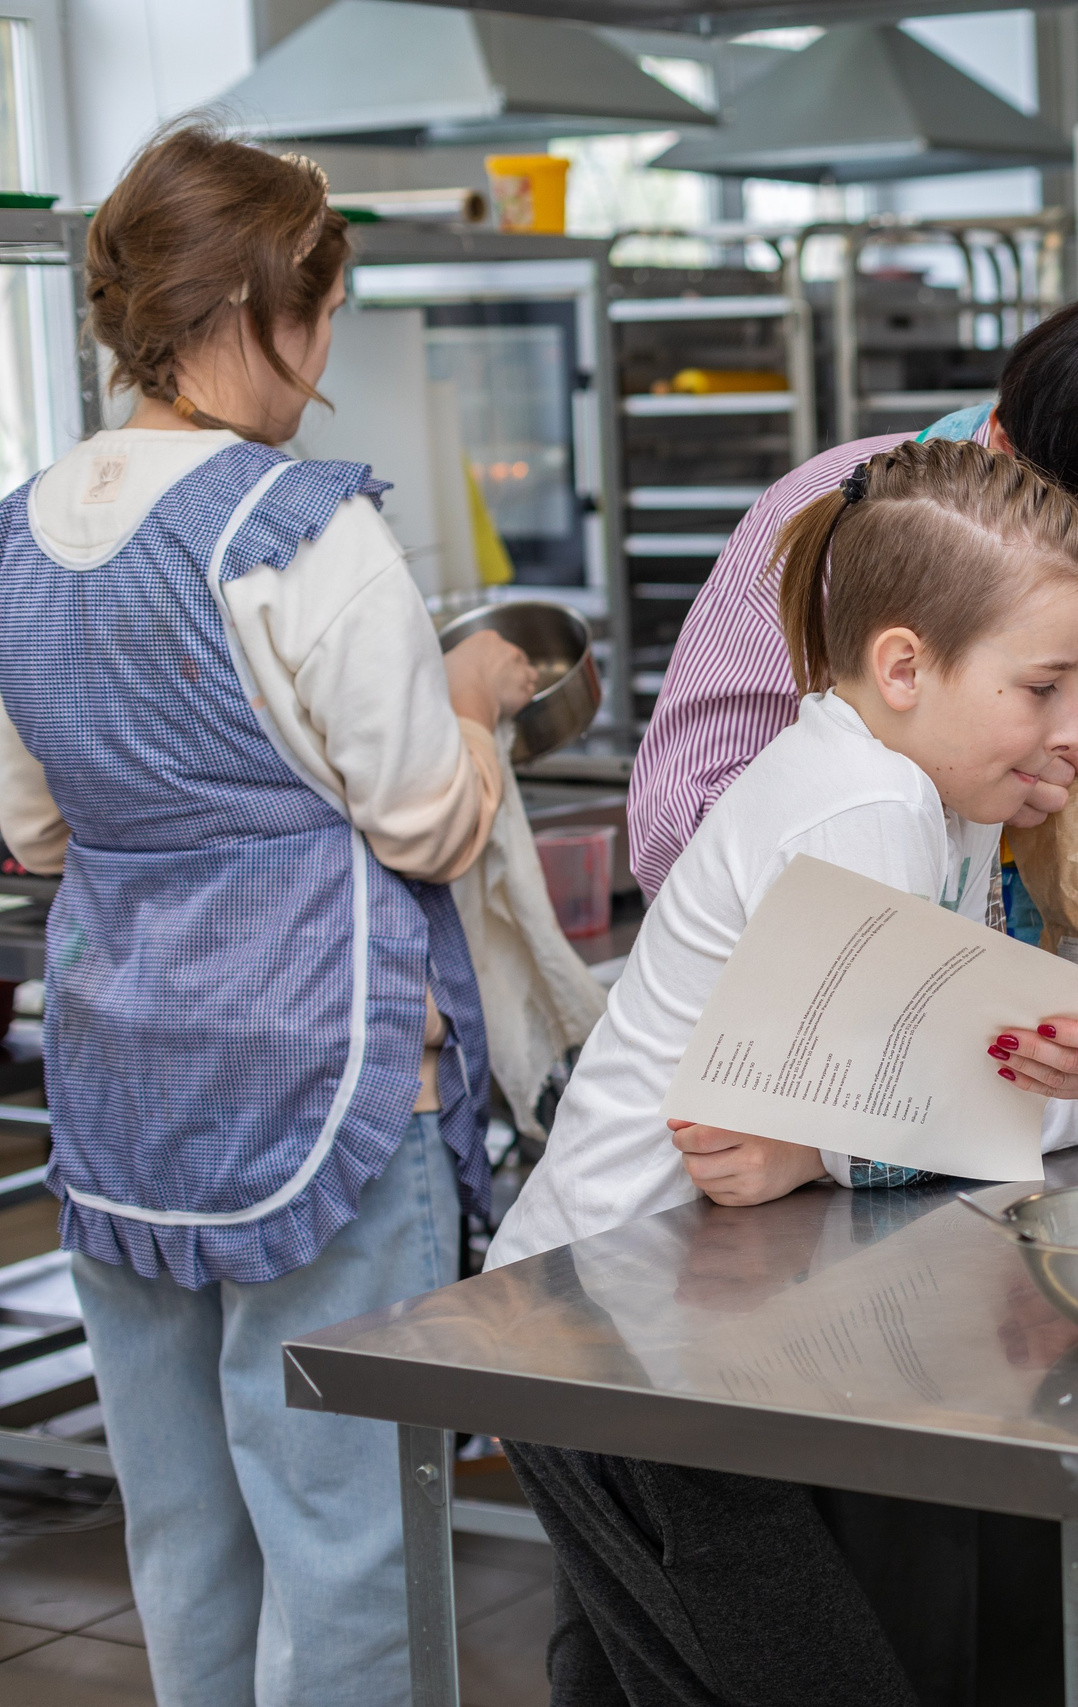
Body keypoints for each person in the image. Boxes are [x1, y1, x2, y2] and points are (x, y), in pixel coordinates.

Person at [492, 439, 1078, 1703]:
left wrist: (825, 1142)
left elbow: (900, 1089)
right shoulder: (861, 808)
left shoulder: (907, 783)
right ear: (904, 666)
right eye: (1043, 686)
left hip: (672, 1315)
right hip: (616, 1323)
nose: (1072, 727)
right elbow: (917, 1109)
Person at [0, 124, 537, 1705]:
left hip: (119, 1068)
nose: (327, 357)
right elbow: (424, 823)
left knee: (180, 1516)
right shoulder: (309, 528)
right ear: (258, 310)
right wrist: (483, 714)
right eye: (326, 313)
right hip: (322, 1071)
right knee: (347, 1516)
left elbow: (31, 826)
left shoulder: (17, 536)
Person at [630, 285, 1078, 1085]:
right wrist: (951, 783)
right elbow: (681, 834)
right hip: (796, 1057)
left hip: (1012, 1085)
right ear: (1003, 443)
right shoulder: (843, 518)